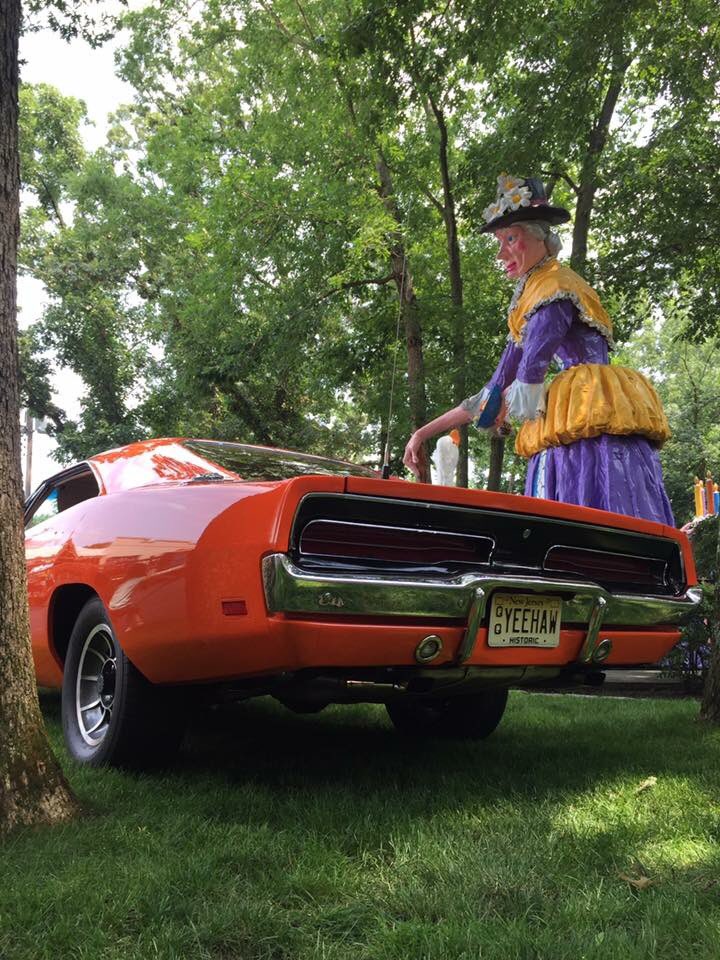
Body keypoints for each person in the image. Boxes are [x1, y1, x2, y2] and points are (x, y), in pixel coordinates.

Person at [403, 173, 674, 524]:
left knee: (585, 484)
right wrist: (423, 433)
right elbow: (495, 386)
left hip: (588, 404)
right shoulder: (533, 295)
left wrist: (505, 406)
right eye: (500, 242)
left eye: (510, 239)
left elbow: (530, 370)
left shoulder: (554, 287)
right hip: (575, 403)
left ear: (539, 237)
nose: (501, 253)